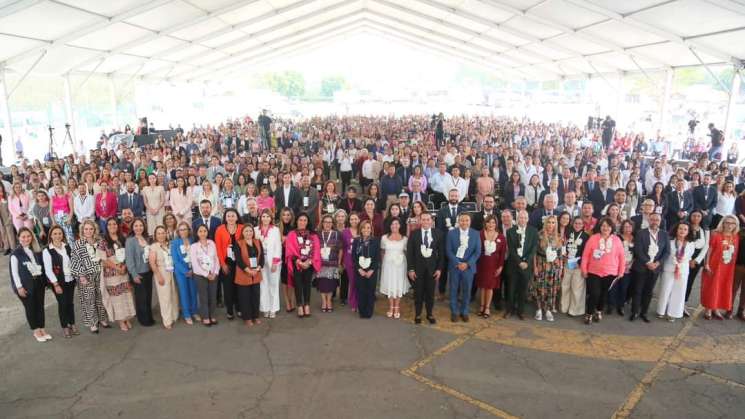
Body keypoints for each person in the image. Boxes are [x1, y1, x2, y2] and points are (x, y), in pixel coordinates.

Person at [580, 218, 626, 324]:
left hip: (611, 272)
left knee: (604, 294)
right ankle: (589, 313)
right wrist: (584, 269)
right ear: (600, 227)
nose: (605, 228)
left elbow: (622, 257)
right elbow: (586, 255)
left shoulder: (617, 240)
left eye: (608, 226)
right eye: (603, 226)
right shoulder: (593, 238)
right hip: (593, 271)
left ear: (612, 228)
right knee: (594, 293)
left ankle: (599, 311)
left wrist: (621, 271)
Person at [10, 227, 49, 342]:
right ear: (19, 238)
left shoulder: (36, 250)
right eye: (23, 237)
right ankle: (36, 330)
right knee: (30, 307)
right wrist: (19, 287)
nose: (26, 239)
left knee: (40, 306)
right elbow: (14, 273)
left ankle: (42, 328)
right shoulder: (15, 254)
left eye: (28, 236)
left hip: (38, 283)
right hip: (26, 286)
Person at [70, 220, 108, 333]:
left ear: (95, 230)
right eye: (86, 229)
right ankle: (92, 323)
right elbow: (75, 261)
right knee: (89, 300)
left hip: (100, 274)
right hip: (86, 276)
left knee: (101, 298)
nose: (88, 231)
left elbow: (105, 256)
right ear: (82, 230)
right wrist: (81, 275)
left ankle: (102, 319)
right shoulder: (78, 243)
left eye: (91, 229)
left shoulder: (100, 241)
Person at [630, 212, 670, 323]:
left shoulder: (664, 235)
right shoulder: (640, 233)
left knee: (649, 291)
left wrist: (657, 263)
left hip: (655, 268)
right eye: (652, 219)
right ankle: (634, 312)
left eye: (657, 220)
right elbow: (638, 250)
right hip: (641, 267)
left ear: (660, 221)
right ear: (649, 220)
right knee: (637, 290)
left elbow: (667, 252)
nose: (654, 222)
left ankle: (644, 312)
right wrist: (648, 262)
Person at [98, 218, 136, 332]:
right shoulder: (103, 241)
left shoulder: (123, 238)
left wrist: (124, 266)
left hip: (123, 272)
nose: (112, 226)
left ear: (117, 225)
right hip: (111, 273)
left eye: (114, 224)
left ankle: (127, 317)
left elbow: (128, 254)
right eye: (109, 224)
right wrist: (116, 267)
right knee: (117, 298)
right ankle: (121, 320)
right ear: (107, 226)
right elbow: (103, 259)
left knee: (126, 294)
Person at [407, 212, 444, 324]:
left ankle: (429, 314)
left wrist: (439, 269)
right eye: (423, 219)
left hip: (432, 270)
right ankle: (418, 314)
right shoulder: (414, 234)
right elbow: (410, 253)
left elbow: (441, 253)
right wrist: (411, 269)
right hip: (417, 269)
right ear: (420, 221)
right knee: (418, 293)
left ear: (431, 221)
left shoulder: (438, 233)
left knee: (430, 293)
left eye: (428, 219)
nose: (426, 221)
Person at [701, 215, 740, 320]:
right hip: (714, 266)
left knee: (722, 287)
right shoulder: (716, 234)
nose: (729, 225)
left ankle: (716, 308)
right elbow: (709, 250)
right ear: (722, 223)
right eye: (727, 222)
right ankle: (708, 308)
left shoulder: (735, 237)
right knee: (712, 287)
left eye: (732, 223)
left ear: (735, 225)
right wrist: (706, 264)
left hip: (727, 268)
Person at [42, 225, 78, 338]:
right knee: (62, 304)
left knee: (70, 303)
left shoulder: (67, 247)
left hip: (70, 280)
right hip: (58, 282)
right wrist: (55, 284)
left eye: (60, 233)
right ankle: (65, 327)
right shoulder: (47, 251)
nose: (58, 236)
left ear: (63, 235)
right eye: (55, 234)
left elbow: (72, 262)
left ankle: (72, 324)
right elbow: (48, 270)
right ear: (51, 236)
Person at [445, 213, 481, 322]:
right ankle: (454, 311)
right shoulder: (451, 233)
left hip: (468, 268)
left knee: (467, 290)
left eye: (466, 220)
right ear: (458, 221)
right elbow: (448, 251)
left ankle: (465, 311)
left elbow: (477, 251)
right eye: (462, 220)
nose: (464, 222)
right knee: (453, 289)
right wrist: (457, 262)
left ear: (470, 222)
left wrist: (467, 264)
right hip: (455, 266)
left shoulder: (475, 234)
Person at [656, 222, 695, 322]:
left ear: (688, 231)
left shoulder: (691, 244)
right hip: (669, 268)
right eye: (680, 228)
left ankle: (673, 313)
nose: (682, 231)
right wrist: (674, 259)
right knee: (665, 290)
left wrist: (680, 260)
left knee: (679, 292)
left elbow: (689, 256)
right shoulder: (670, 241)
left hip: (682, 270)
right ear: (676, 230)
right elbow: (666, 253)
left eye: (685, 229)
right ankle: (661, 311)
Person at [285, 213, 321, 318]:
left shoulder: (313, 235)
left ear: (308, 222)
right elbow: (289, 249)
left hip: (309, 263)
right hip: (297, 263)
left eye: (305, 220)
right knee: (298, 285)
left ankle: (307, 305)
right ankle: (300, 305)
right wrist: (299, 262)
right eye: (300, 220)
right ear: (296, 221)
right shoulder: (292, 234)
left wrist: (309, 262)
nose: (302, 222)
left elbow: (316, 250)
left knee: (307, 285)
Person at [505, 210, 538, 320]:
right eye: (520, 217)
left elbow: (533, 249)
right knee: (511, 289)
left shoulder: (533, 231)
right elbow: (511, 250)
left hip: (526, 266)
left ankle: (521, 311)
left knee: (523, 289)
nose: (522, 220)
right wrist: (519, 262)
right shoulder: (510, 231)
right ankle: (509, 310)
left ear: (527, 219)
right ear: (517, 219)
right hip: (514, 264)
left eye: (524, 218)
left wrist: (526, 262)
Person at [125, 218, 155, 327]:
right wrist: (134, 275)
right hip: (138, 273)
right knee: (141, 298)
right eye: (136, 226)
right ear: (132, 227)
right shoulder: (130, 241)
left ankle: (149, 316)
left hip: (148, 272)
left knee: (148, 296)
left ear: (144, 226)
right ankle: (143, 320)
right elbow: (129, 260)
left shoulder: (147, 238)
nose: (138, 228)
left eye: (141, 225)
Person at [533, 215, 563, 322]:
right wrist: (535, 267)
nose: (551, 225)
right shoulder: (539, 235)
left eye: (553, 223)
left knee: (551, 288)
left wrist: (560, 269)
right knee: (540, 288)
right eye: (549, 222)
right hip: (541, 264)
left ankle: (548, 310)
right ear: (545, 223)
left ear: (556, 224)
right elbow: (534, 254)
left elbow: (560, 255)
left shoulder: (558, 237)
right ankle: (539, 309)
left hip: (553, 267)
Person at [149, 225, 180, 329]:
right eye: (159, 233)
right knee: (164, 297)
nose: (161, 235)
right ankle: (167, 320)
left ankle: (174, 316)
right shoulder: (154, 247)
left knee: (173, 294)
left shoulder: (170, 244)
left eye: (163, 233)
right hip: (161, 271)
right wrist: (159, 276)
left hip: (172, 271)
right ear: (155, 235)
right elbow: (152, 263)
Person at [475, 215, 506, 318]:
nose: (491, 224)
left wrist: (500, 266)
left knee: (490, 287)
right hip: (481, 264)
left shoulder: (501, 237)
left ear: (496, 224)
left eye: (493, 222)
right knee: (482, 287)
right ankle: (482, 306)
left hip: (494, 265)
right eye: (489, 222)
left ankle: (487, 308)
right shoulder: (479, 234)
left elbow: (502, 254)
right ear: (485, 223)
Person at [190, 224, 221, 326]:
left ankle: (212, 315)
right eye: (200, 231)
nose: (203, 233)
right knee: (203, 297)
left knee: (213, 296)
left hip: (213, 274)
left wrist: (215, 272)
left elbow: (216, 259)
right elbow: (195, 264)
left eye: (204, 231)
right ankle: (206, 317)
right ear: (197, 233)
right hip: (200, 275)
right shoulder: (194, 246)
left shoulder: (212, 243)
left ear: (207, 232)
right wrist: (206, 274)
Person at [215, 208, 242, 320]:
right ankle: (229, 310)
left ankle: (239, 308)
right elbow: (218, 248)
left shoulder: (242, 228)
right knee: (228, 287)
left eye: (233, 216)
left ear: (237, 217)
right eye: (228, 216)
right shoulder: (220, 229)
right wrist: (223, 264)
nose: (231, 218)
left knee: (239, 286)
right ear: (225, 218)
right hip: (227, 262)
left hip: (240, 262)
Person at [234, 224, 264, 327]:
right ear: (242, 233)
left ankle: (255, 316)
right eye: (246, 231)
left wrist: (258, 268)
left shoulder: (258, 242)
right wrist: (248, 270)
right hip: (243, 274)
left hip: (256, 273)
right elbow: (238, 260)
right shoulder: (238, 243)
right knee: (245, 297)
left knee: (255, 296)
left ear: (253, 232)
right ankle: (247, 318)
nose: (248, 233)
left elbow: (262, 258)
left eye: (250, 231)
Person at [380, 218, 409, 319]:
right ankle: (391, 306)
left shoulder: (405, 239)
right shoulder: (384, 238)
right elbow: (382, 251)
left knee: (398, 284)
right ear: (389, 226)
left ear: (400, 225)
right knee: (390, 284)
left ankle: (397, 307)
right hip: (388, 265)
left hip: (400, 265)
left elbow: (405, 252)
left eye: (396, 224)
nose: (394, 226)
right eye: (392, 224)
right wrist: (384, 263)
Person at [256, 209, 282, 319]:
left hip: (273, 260)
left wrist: (275, 262)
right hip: (260, 261)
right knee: (263, 285)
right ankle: (265, 308)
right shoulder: (255, 230)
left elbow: (278, 247)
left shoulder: (275, 230)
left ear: (271, 218)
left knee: (274, 284)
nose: (265, 219)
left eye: (267, 216)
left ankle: (273, 308)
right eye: (263, 216)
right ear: (260, 218)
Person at [171, 222, 199, 325]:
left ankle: (194, 312)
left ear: (188, 230)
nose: (183, 231)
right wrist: (185, 271)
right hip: (181, 272)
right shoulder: (175, 243)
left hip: (193, 270)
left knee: (193, 292)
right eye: (181, 230)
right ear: (178, 231)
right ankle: (187, 314)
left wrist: (193, 270)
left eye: (185, 229)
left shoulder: (192, 241)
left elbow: (197, 255)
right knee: (184, 293)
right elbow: (175, 260)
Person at [560, 217, 589, 317]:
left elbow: (587, 253)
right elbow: (563, 246)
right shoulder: (568, 233)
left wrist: (580, 263)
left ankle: (574, 310)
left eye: (580, 223)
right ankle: (564, 307)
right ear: (573, 224)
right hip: (567, 263)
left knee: (577, 288)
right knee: (565, 286)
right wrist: (564, 256)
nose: (577, 225)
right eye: (576, 223)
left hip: (578, 265)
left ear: (583, 225)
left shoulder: (586, 236)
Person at [353, 220, 381, 319]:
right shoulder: (356, 241)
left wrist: (371, 270)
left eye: (368, 228)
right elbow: (354, 257)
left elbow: (377, 257)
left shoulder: (375, 241)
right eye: (364, 227)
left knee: (370, 291)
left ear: (371, 229)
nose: (366, 230)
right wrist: (359, 269)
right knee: (361, 291)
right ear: (361, 229)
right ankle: (362, 311)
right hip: (359, 271)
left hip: (371, 272)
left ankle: (369, 312)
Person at [315, 214, 342, 312]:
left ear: (332, 224)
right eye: (325, 222)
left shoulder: (336, 234)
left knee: (330, 284)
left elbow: (340, 249)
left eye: (329, 222)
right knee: (322, 284)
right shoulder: (317, 234)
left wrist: (339, 263)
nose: (327, 224)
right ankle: (323, 301)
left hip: (332, 262)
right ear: (322, 223)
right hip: (321, 263)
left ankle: (329, 301)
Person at [684, 210, 709, 317]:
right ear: (690, 216)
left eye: (699, 216)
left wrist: (696, 260)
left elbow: (706, 246)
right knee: (681, 281)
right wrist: (689, 259)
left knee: (689, 282)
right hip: (685, 259)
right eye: (694, 215)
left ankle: (683, 304)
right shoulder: (685, 227)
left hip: (697, 260)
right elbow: (684, 244)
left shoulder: (705, 230)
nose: (696, 218)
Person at [608, 220, 635, 316]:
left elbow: (636, 253)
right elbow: (613, 252)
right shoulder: (617, 238)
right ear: (622, 228)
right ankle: (611, 305)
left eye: (629, 227)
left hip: (628, 268)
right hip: (616, 266)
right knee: (613, 286)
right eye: (626, 226)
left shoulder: (634, 238)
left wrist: (631, 263)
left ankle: (621, 306)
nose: (628, 229)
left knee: (624, 287)